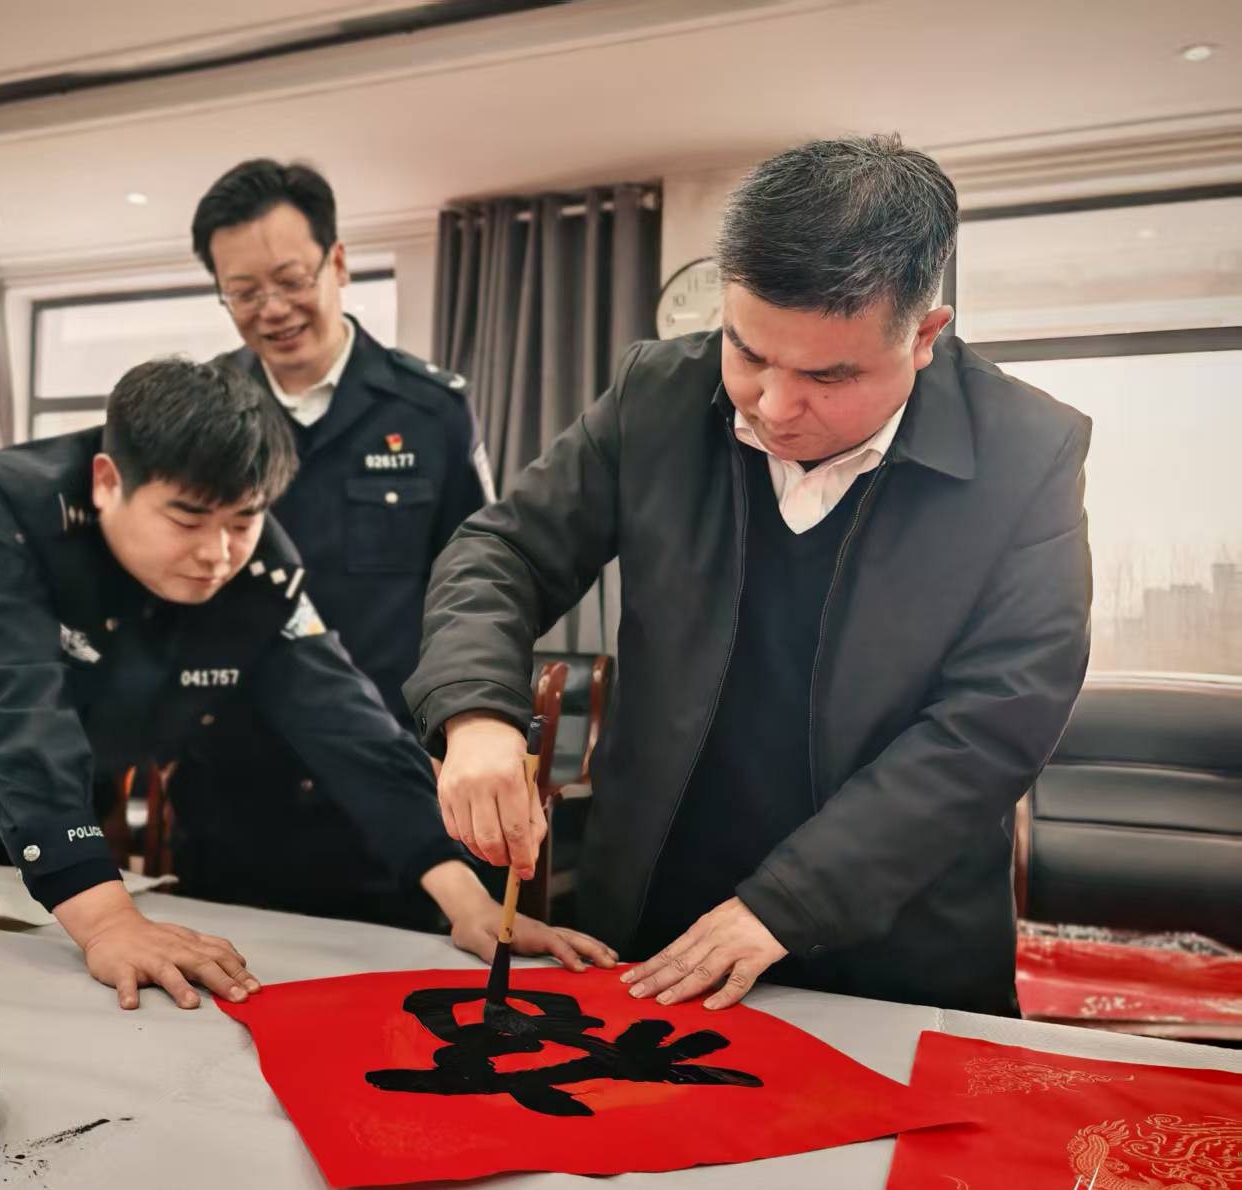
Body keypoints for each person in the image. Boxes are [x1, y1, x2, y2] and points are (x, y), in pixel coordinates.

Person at [404, 134, 1092, 1016]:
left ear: (924, 335)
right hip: (656, 906)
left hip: (895, 935)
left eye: (827, 375)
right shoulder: (657, 396)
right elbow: (503, 553)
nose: (772, 405)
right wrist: (475, 715)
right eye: (748, 352)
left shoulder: (1026, 452)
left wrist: (786, 903)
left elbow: (996, 720)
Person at [0, 357, 613, 1010]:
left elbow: (352, 729)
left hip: (46, 841)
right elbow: (13, 709)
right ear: (107, 482)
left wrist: (466, 901)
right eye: (187, 519)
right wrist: (106, 918)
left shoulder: (261, 568)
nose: (218, 555)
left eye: (243, 521)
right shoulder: (6, 504)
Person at [181, 158, 495, 925]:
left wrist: (467, 730)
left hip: (391, 786)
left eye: (290, 280)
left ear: (339, 263)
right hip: (234, 783)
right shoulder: (200, 413)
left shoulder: (430, 410)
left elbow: (478, 592)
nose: (272, 309)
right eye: (243, 292)